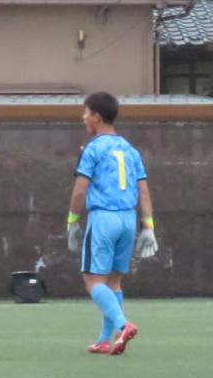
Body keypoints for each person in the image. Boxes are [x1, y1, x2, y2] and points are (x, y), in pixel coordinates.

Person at [66, 92, 158, 354]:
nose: (83, 117)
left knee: (93, 281)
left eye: (86, 112)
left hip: (103, 218)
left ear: (96, 116)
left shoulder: (93, 148)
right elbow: (143, 191)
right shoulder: (130, 149)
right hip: (128, 219)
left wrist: (72, 221)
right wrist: (148, 227)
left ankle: (123, 325)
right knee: (113, 282)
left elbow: (80, 190)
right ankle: (105, 340)